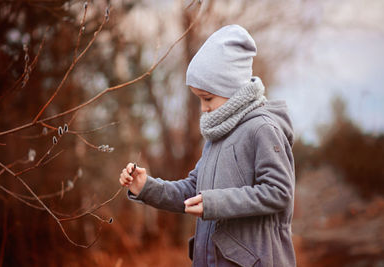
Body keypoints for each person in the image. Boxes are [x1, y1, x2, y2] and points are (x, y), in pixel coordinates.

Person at [119, 24, 296, 267]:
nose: (204, 108)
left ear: (232, 88)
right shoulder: (218, 135)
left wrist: (215, 203)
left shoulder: (262, 129)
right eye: (200, 99)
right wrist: (146, 187)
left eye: (208, 98)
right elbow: (194, 191)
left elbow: (279, 192)